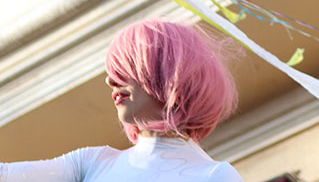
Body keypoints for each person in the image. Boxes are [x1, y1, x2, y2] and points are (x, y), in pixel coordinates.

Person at [0, 19, 243, 181]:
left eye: (126, 68)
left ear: (167, 73)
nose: (110, 81)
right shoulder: (92, 162)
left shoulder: (213, 176)